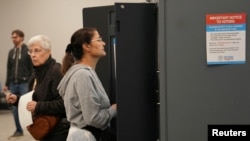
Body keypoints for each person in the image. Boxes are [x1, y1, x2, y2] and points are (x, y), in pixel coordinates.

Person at [6, 35, 70, 141]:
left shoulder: (56, 71)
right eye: (30, 51)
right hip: (45, 128)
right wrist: (17, 99)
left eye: (37, 51)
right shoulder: (36, 72)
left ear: (48, 52)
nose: (33, 55)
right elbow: (33, 99)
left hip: (58, 130)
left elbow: (65, 104)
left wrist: (38, 106)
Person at [58, 27, 117, 141]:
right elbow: (93, 118)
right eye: (99, 40)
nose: (103, 43)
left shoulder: (83, 73)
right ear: (86, 46)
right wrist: (114, 109)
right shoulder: (82, 75)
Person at [3, 29, 33, 138]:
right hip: (13, 84)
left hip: (24, 83)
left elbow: (32, 68)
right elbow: (8, 68)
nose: (13, 39)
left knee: (27, 106)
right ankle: (19, 130)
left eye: (15, 37)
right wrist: (7, 83)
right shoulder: (11, 52)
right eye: (12, 37)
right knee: (14, 108)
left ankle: (34, 128)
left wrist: (32, 82)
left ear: (21, 37)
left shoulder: (27, 51)